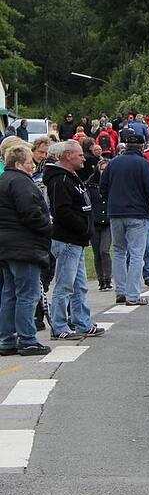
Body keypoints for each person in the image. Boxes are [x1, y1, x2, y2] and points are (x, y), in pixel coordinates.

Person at [42, 140, 106, 340]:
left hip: (77, 240)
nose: (83, 158)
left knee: (79, 285)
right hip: (67, 239)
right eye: (79, 155)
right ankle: (59, 326)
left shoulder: (71, 176)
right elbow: (62, 211)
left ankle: (82, 322)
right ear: (67, 156)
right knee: (65, 284)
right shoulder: (59, 180)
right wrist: (82, 227)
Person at [0, 144, 53, 356]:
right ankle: (27, 339)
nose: (33, 167)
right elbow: (31, 213)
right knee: (27, 295)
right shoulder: (21, 182)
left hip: (6, 245)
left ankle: (6, 339)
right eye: (30, 163)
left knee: (9, 294)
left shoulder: (3, 180)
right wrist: (48, 227)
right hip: (24, 245)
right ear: (20, 163)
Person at [99, 132, 149, 306]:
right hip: (137, 213)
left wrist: (112, 201)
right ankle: (133, 294)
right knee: (136, 254)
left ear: (125, 145)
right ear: (142, 146)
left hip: (115, 213)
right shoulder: (143, 164)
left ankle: (120, 291)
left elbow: (102, 187)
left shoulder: (113, 163)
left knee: (119, 251)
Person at [87, 159, 112, 291]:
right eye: (102, 169)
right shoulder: (91, 184)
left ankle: (108, 278)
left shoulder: (113, 183)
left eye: (106, 169)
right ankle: (100, 279)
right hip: (95, 221)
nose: (104, 172)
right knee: (97, 253)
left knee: (104, 250)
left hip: (108, 222)